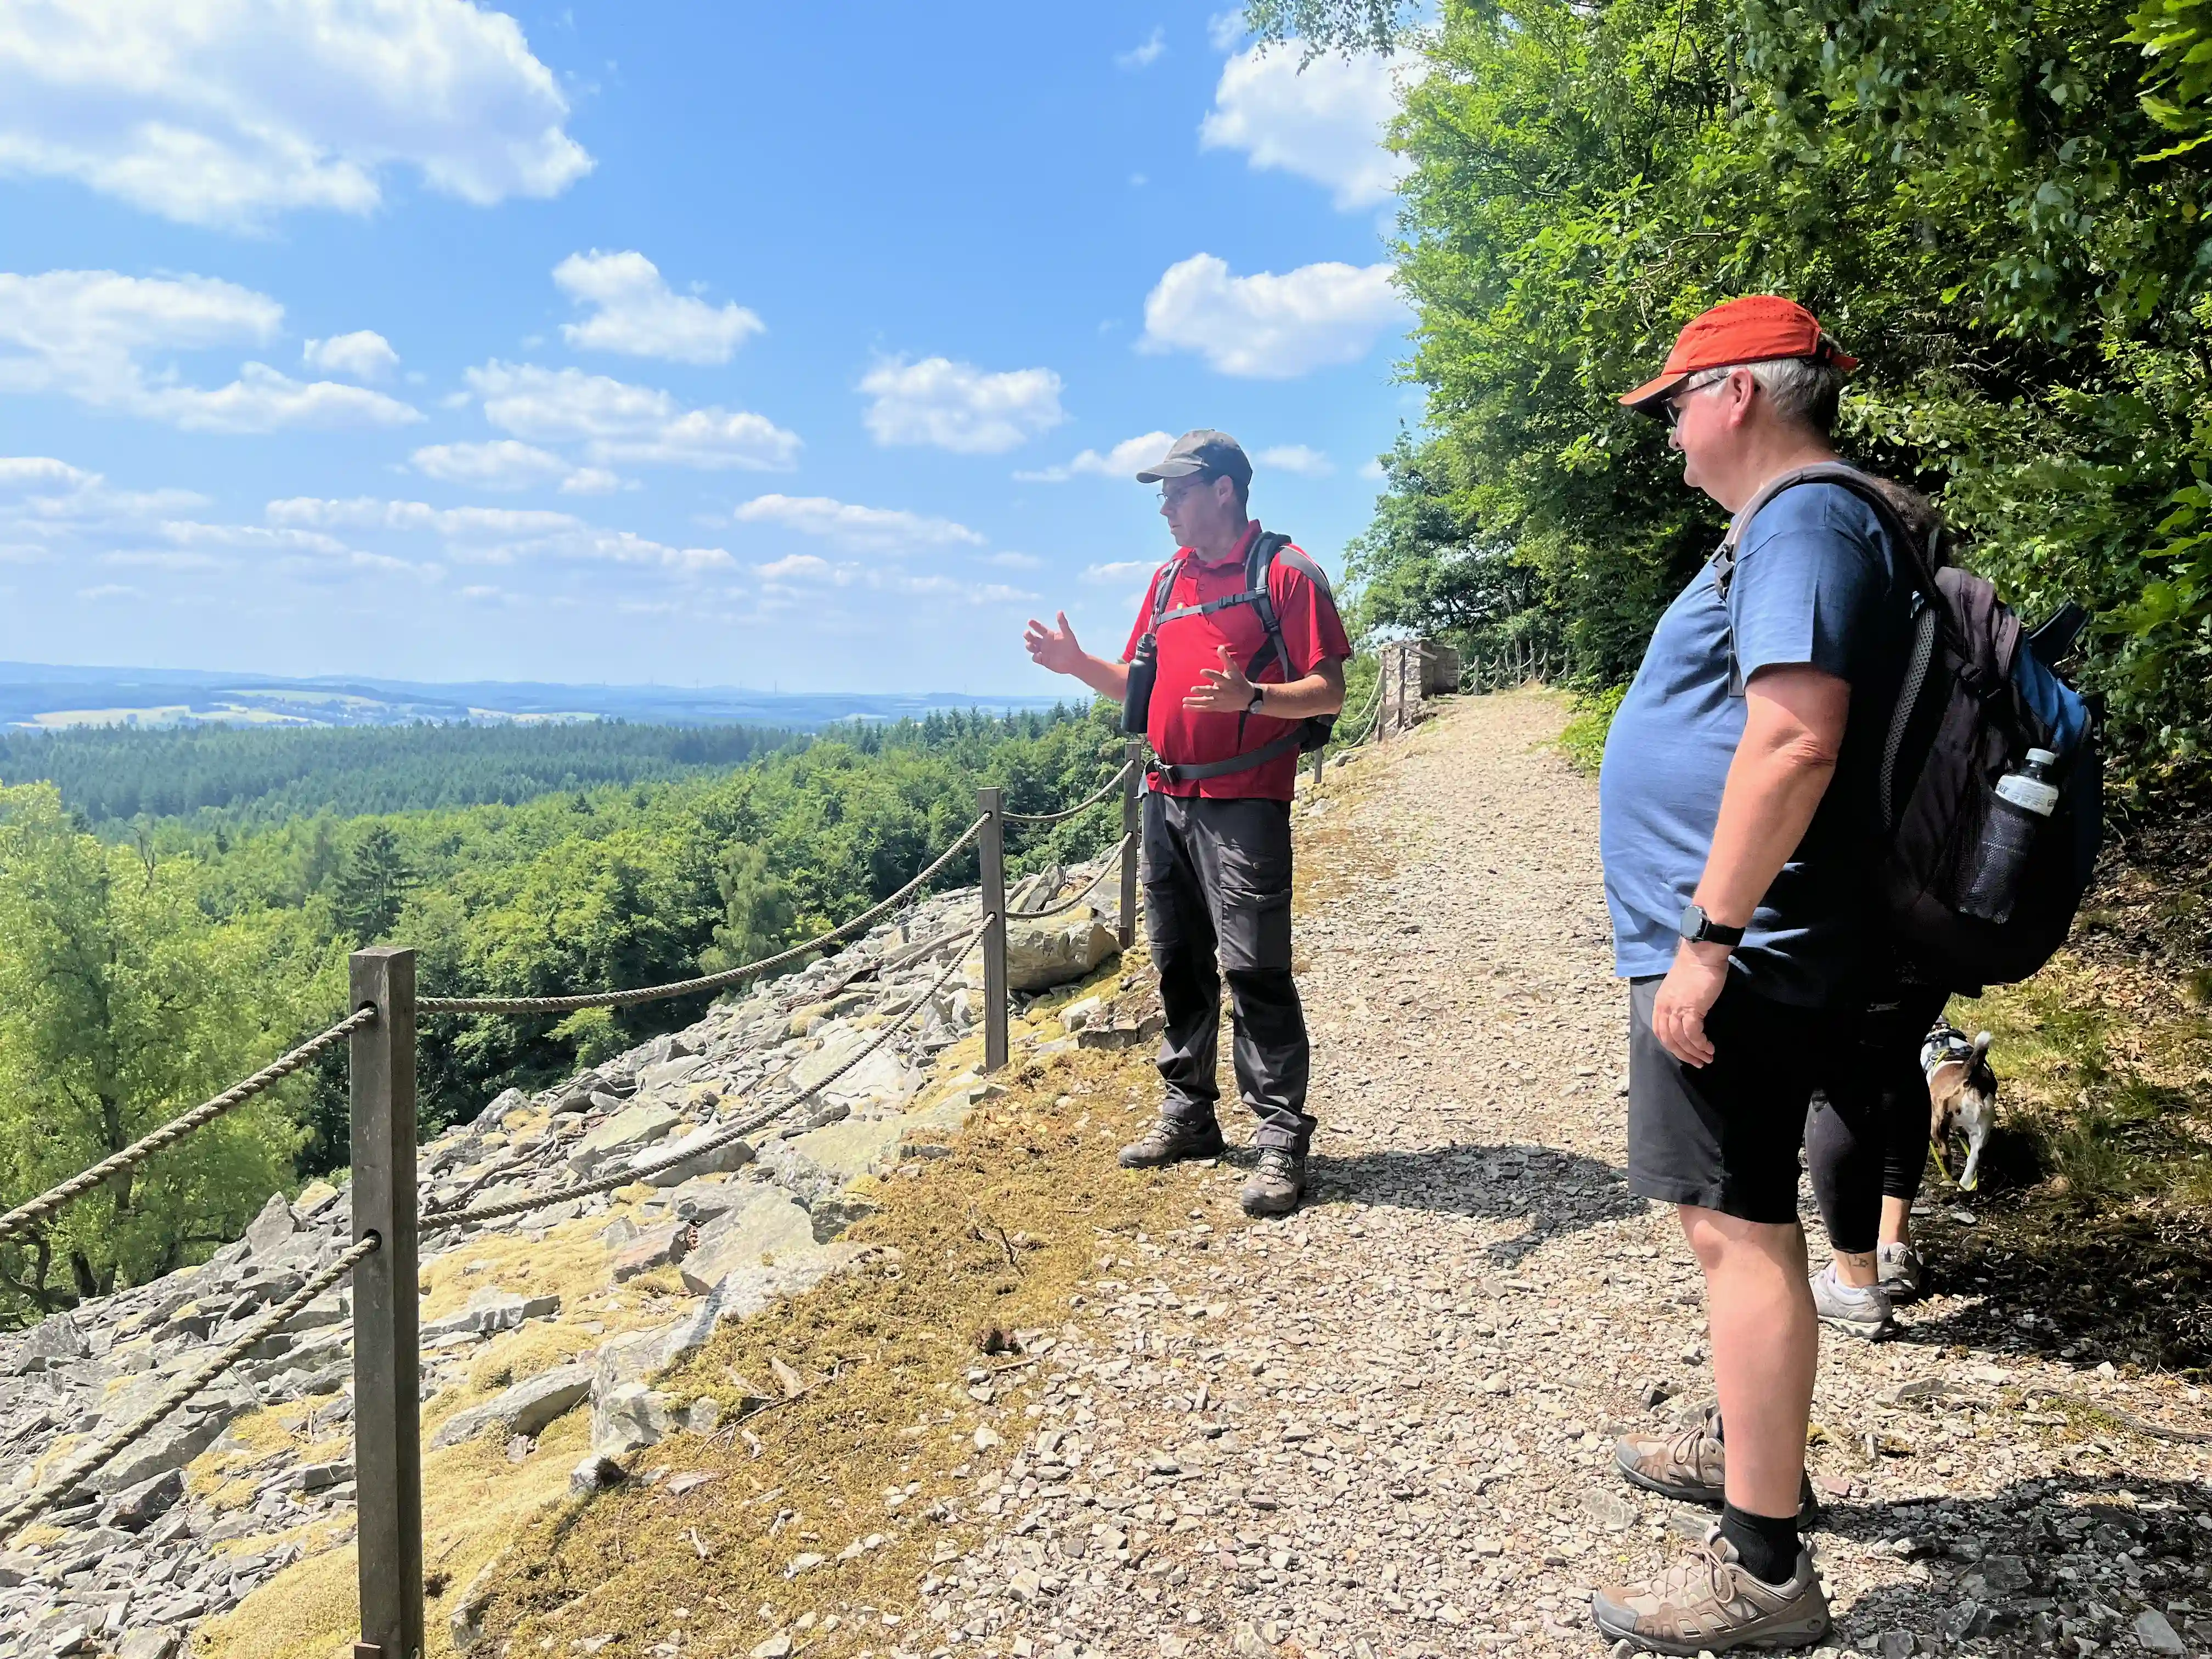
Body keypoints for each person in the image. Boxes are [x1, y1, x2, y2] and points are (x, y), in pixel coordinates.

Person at [1589, 296, 1911, 1654]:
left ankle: (1764, 1570)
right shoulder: (1810, 522)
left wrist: (1706, 940)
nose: (1668, 427)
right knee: (1736, 1222)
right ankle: (1749, 1448)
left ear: (1740, 396)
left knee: (1737, 1231)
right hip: (1757, 943)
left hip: (1752, 951)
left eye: (1677, 400)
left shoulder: (1805, 521)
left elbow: (1794, 739)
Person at [1022, 431, 1350, 1217]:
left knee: (1255, 968)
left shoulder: (1285, 573)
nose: (1164, 506)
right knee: (1178, 964)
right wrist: (1076, 665)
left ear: (1225, 491)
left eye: (1177, 490)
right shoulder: (1168, 581)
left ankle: (1278, 1142)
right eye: (1161, 493)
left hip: (1245, 804)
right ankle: (1190, 1115)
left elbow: (1330, 690)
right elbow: (1137, 684)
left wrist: (1256, 700)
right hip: (1164, 800)